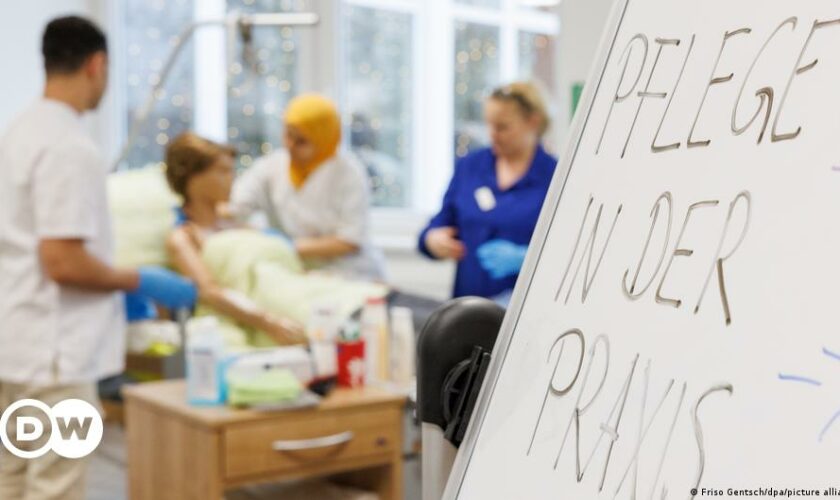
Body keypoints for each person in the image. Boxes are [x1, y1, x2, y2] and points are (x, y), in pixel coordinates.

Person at [0, 16, 197, 500]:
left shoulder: (18, 132)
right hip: (56, 359)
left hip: (17, 344)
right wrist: (135, 278)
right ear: (97, 65)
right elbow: (63, 261)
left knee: (13, 476)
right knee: (56, 487)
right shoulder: (70, 146)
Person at [164, 132, 307, 345]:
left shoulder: (240, 227)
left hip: (284, 292)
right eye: (222, 171)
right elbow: (210, 292)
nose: (232, 179)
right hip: (252, 315)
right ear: (193, 178)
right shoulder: (183, 238)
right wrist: (269, 321)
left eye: (232, 171)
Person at [418, 81, 557, 300]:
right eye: (489, 125)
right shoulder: (470, 168)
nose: (492, 134)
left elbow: (566, 253)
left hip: (527, 309)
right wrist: (432, 240)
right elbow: (439, 224)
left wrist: (527, 259)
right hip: (468, 306)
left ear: (532, 122)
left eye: (502, 127)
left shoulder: (554, 177)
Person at [229, 93, 384, 280]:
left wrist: (283, 245)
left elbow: (349, 240)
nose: (290, 146)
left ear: (323, 140)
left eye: (301, 141)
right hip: (295, 272)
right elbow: (237, 203)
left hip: (349, 273)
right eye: (287, 135)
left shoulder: (348, 174)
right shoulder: (271, 166)